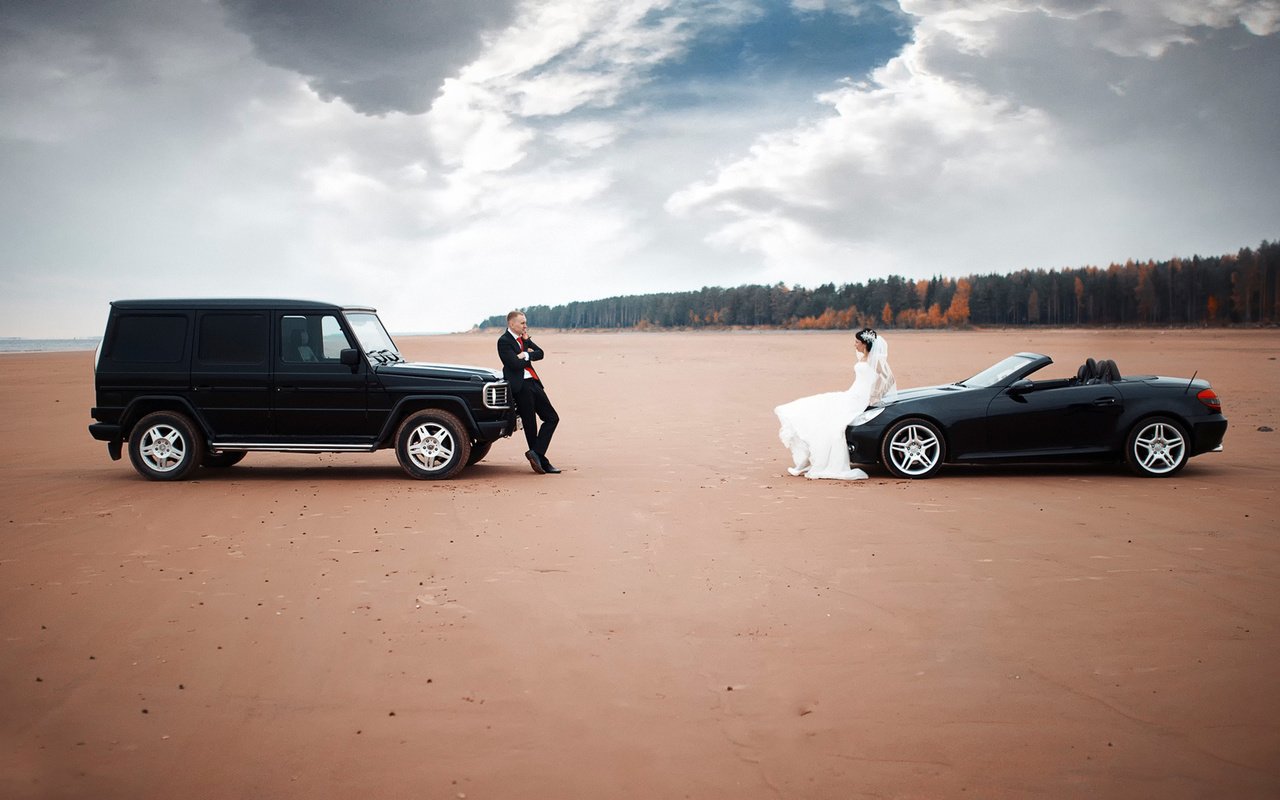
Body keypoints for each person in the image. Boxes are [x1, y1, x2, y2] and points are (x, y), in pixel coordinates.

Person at [775, 327, 897, 480]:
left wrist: (876, 395)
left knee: (832, 425)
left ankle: (814, 462)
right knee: (818, 410)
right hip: (851, 394)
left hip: (859, 400)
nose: (855, 344)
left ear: (865, 343)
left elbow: (889, 379)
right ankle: (806, 462)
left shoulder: (876, 360)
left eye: (857, 342)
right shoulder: (863, 358)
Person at [498, 311, 561, 474]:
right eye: (522, 323)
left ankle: (537, 453)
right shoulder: (503, 341)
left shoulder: (524, 339)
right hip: (520, 386)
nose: (525, 326)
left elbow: (540, 354)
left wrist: (525, 352)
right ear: (512, 324)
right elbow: (514, 364)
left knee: (552, 418)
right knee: (530, 424)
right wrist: (525, 357)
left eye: (525, 323)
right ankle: (542, 461)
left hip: (533, 383)